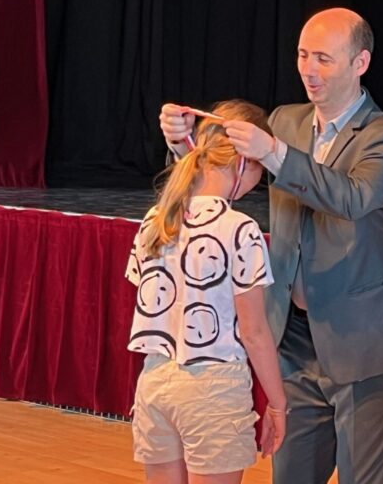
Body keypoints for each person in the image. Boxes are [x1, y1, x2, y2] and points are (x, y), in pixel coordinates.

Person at [160, 8, 383, 484]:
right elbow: (227, 178)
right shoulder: (285, 121)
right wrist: (183, 147)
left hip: (362, 341)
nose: (309, 70)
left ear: (360, 63)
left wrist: (274, 152)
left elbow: (351, 198)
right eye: (302, 55)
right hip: (294, 338)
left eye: (323, 59)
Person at [128, 100, 287, 484]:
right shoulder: (240, 228)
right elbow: (254, 331)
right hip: (214, 388)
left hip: (154, 382)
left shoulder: (155, 218)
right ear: (245, 161)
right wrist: (278, 404)